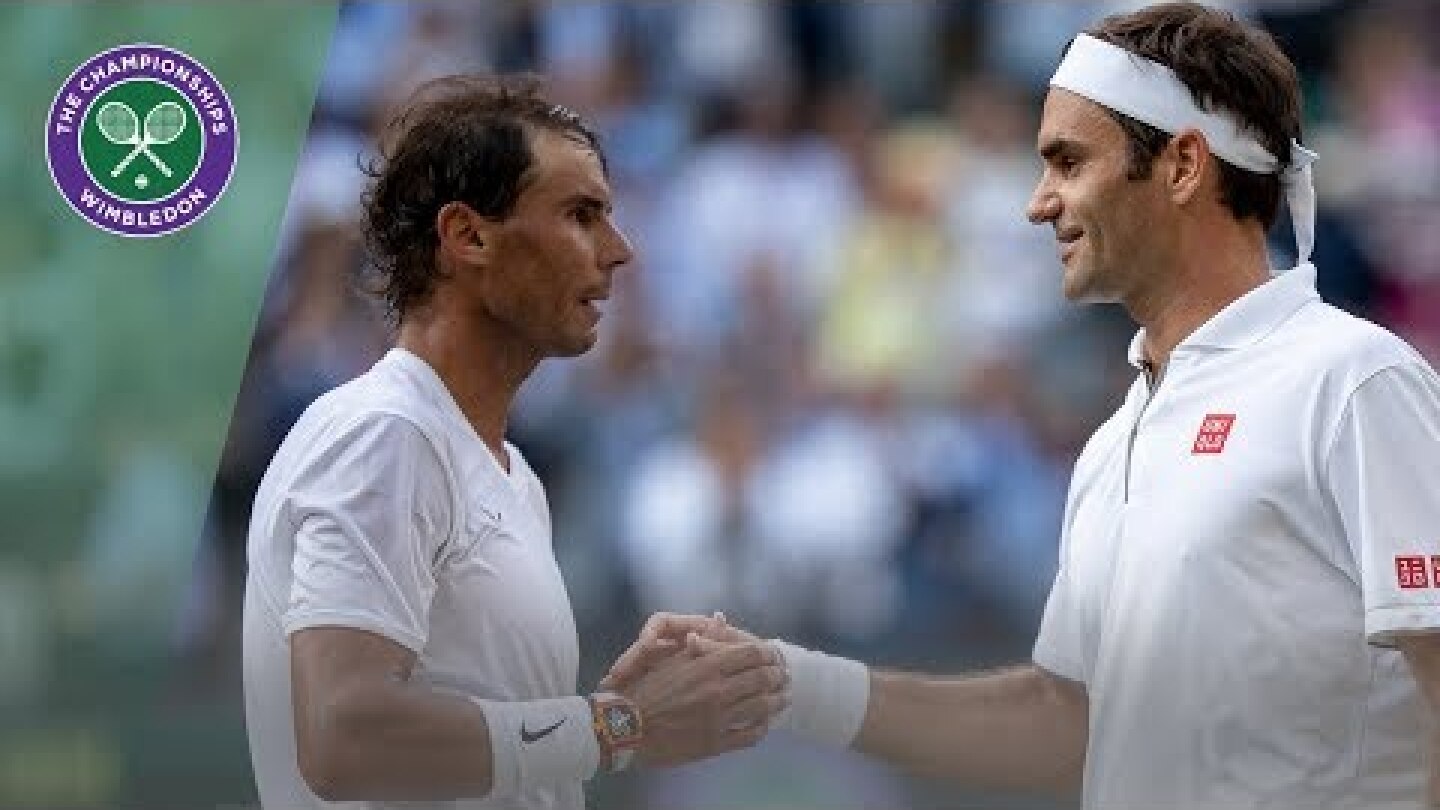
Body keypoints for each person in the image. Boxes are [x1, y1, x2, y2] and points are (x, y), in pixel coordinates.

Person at [605, 4, 1440, 809]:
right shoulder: (1118, 439)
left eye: (1069, 162)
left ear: (1184, 166)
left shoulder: (1355, 380)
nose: (1037, 202)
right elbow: (1065, 722)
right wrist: (790, 682)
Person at [240, 75, 787, 810]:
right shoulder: (385, 436)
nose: (619, 251)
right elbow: (346, 738)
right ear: (468, 237)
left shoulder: (510, 474)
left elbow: (497, 750)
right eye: (580, 214)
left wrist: (610, 710)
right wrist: (620, 723)